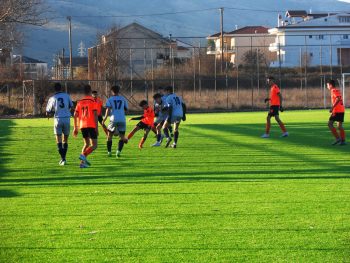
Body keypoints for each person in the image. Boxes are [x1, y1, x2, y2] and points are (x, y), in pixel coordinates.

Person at [46, 82, 73, 166]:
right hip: (67, 119)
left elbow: (48, 111)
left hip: (58, 120)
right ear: (61, 88)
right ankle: (64, 159)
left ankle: (63, 159)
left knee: (58, 140)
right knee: (65, 140)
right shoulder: (67, 96)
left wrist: (49, 115)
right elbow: (71, 106)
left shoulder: (52, 98)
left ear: (54, 89)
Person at [73, 85, 99, 168]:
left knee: (86, 144)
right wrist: (96, 128)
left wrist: (75, 128)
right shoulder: (93, 101)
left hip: (82, 125)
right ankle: (83, 155)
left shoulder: (79, 102)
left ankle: (82, 163)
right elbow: (95, 115)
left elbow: (75, 115)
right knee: (94, 145)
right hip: (90, 125)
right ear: (90, 91)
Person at [102, 85, 128, 158]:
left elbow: (107, 109)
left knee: (109, 136)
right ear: (118, 91)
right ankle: (118, 152)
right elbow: (126, 109)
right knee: (122, 137)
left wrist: (104, 119)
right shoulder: (123, 99)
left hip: (113, 119)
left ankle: (109, 152)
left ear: (112, 91)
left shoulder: (110, 99)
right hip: (122, 119)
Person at [327, 79, 346, 145]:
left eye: (328, 85)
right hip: (341, 110)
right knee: (339, 126)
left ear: (331, 85)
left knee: (329, 124)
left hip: (337, 110)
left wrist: (332, 107)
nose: (327, 87)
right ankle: (343, 140)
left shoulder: (333, 90)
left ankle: (338, 138)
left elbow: (338, 98)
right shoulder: (336, 90)